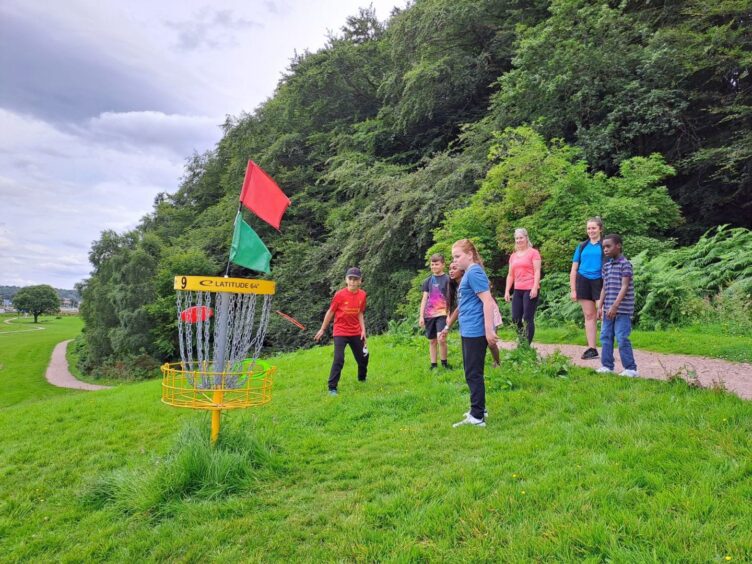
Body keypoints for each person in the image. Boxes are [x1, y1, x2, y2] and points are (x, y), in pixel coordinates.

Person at [449, 240, 498, 428]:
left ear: (470, 254)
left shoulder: (474, 271)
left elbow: (487, 301)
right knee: (472, 371)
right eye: (453, 257)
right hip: (468, 329)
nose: (455, 260)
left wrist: (488, 330)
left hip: (476, 331)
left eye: (458, 256)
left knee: (473, 373)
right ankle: (479, 408)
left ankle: (477, 417)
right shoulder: (470, 272)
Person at [314, 267, 368, 395]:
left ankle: (362, 378)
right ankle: (332, 387)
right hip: (340, 331)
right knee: (339, 359)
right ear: (346, 279)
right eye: (350, 279)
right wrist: (322, 329)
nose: (353, 282)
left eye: (356, 279)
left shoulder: (363, 295)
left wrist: (363, 331)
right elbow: (331, 311)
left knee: (364, 357)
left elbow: (360, 313)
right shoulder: (339, 295)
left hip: (356, 331)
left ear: (360, 281)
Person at [441, 262, 501, 368]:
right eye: (449, 269)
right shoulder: (456, 287)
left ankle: (497, 362)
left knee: (491, 343)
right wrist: (447, 327)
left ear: (462, 270)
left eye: (454, 268)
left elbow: (486, 297)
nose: (451, 271)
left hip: (489, 311)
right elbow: (459, 308)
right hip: (475, 318)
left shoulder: (471, 278)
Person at [596, 234, 638, 377]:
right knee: (605, 337)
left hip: (622, 310)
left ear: (618, 246)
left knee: (621, 337)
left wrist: (615, 306)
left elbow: (624, 287)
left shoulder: (625, 264)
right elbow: (604, 288)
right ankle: (607, 366)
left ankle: (630, 368)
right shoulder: (606, 266)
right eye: (604, 247)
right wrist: (600, 306)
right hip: (607, 310)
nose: (605, 250)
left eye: (608, 246)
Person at [569, 217, 605, 360]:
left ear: (600, 229)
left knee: (603, 315)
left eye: (593, 228)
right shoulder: (582, 246)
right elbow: (573, 269)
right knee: (589, 315)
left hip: (600, 281)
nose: (591, 231)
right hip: (583, 281)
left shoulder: (605, 244)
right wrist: (573, 289)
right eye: (589, 228)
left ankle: (607, 348)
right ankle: (592, 348)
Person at [504, 228, 541, 344]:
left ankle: (526, 345)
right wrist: (506, 291)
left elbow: (537, 271)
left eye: (521, 238)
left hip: (530, 288)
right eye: (516, 238)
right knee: (515, 318)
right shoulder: (513, 256)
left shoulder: (533, 253)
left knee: (527, 317)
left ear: (526, 238)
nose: (519, 240)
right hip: (518, 289)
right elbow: (510, 275)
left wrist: (535, 287)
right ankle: (522, 339)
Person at [418, 253, 450, 369]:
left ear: (443, 265)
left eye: (436, 264)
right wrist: (421, 316)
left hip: (442, 314)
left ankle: (445, 363)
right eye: (432, 264)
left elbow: (450, 298)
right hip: (429, 315)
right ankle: (433, 365)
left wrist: (449, 314)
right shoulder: (428, 281)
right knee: (432, 341)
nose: (434, 267)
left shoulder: (448, 279)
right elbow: (424, 299)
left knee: (441, 338)